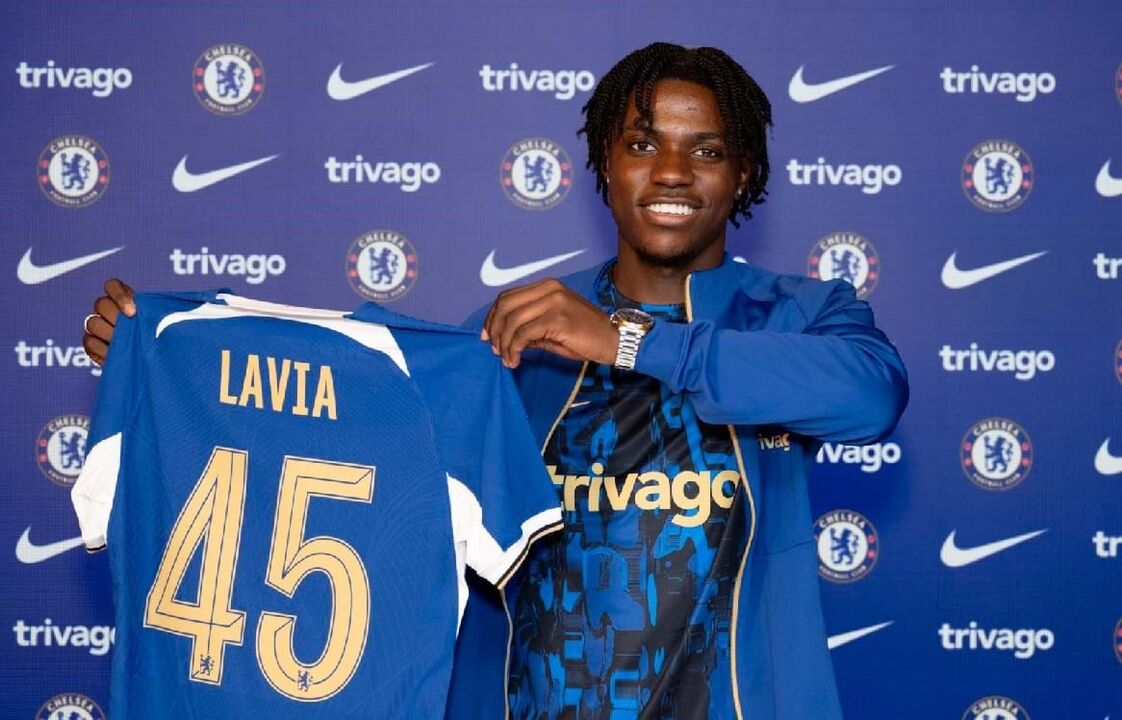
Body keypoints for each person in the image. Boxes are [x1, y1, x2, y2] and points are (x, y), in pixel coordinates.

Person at [84, 42, 907, 720]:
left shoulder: (797, 314)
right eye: (642, 144)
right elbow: (354, 443)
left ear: (744, 173)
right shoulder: (518, 327)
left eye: (708, 151)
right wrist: (170, 366)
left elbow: (871, 395)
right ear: (604, 162)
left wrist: (626, 339)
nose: (671, 172)